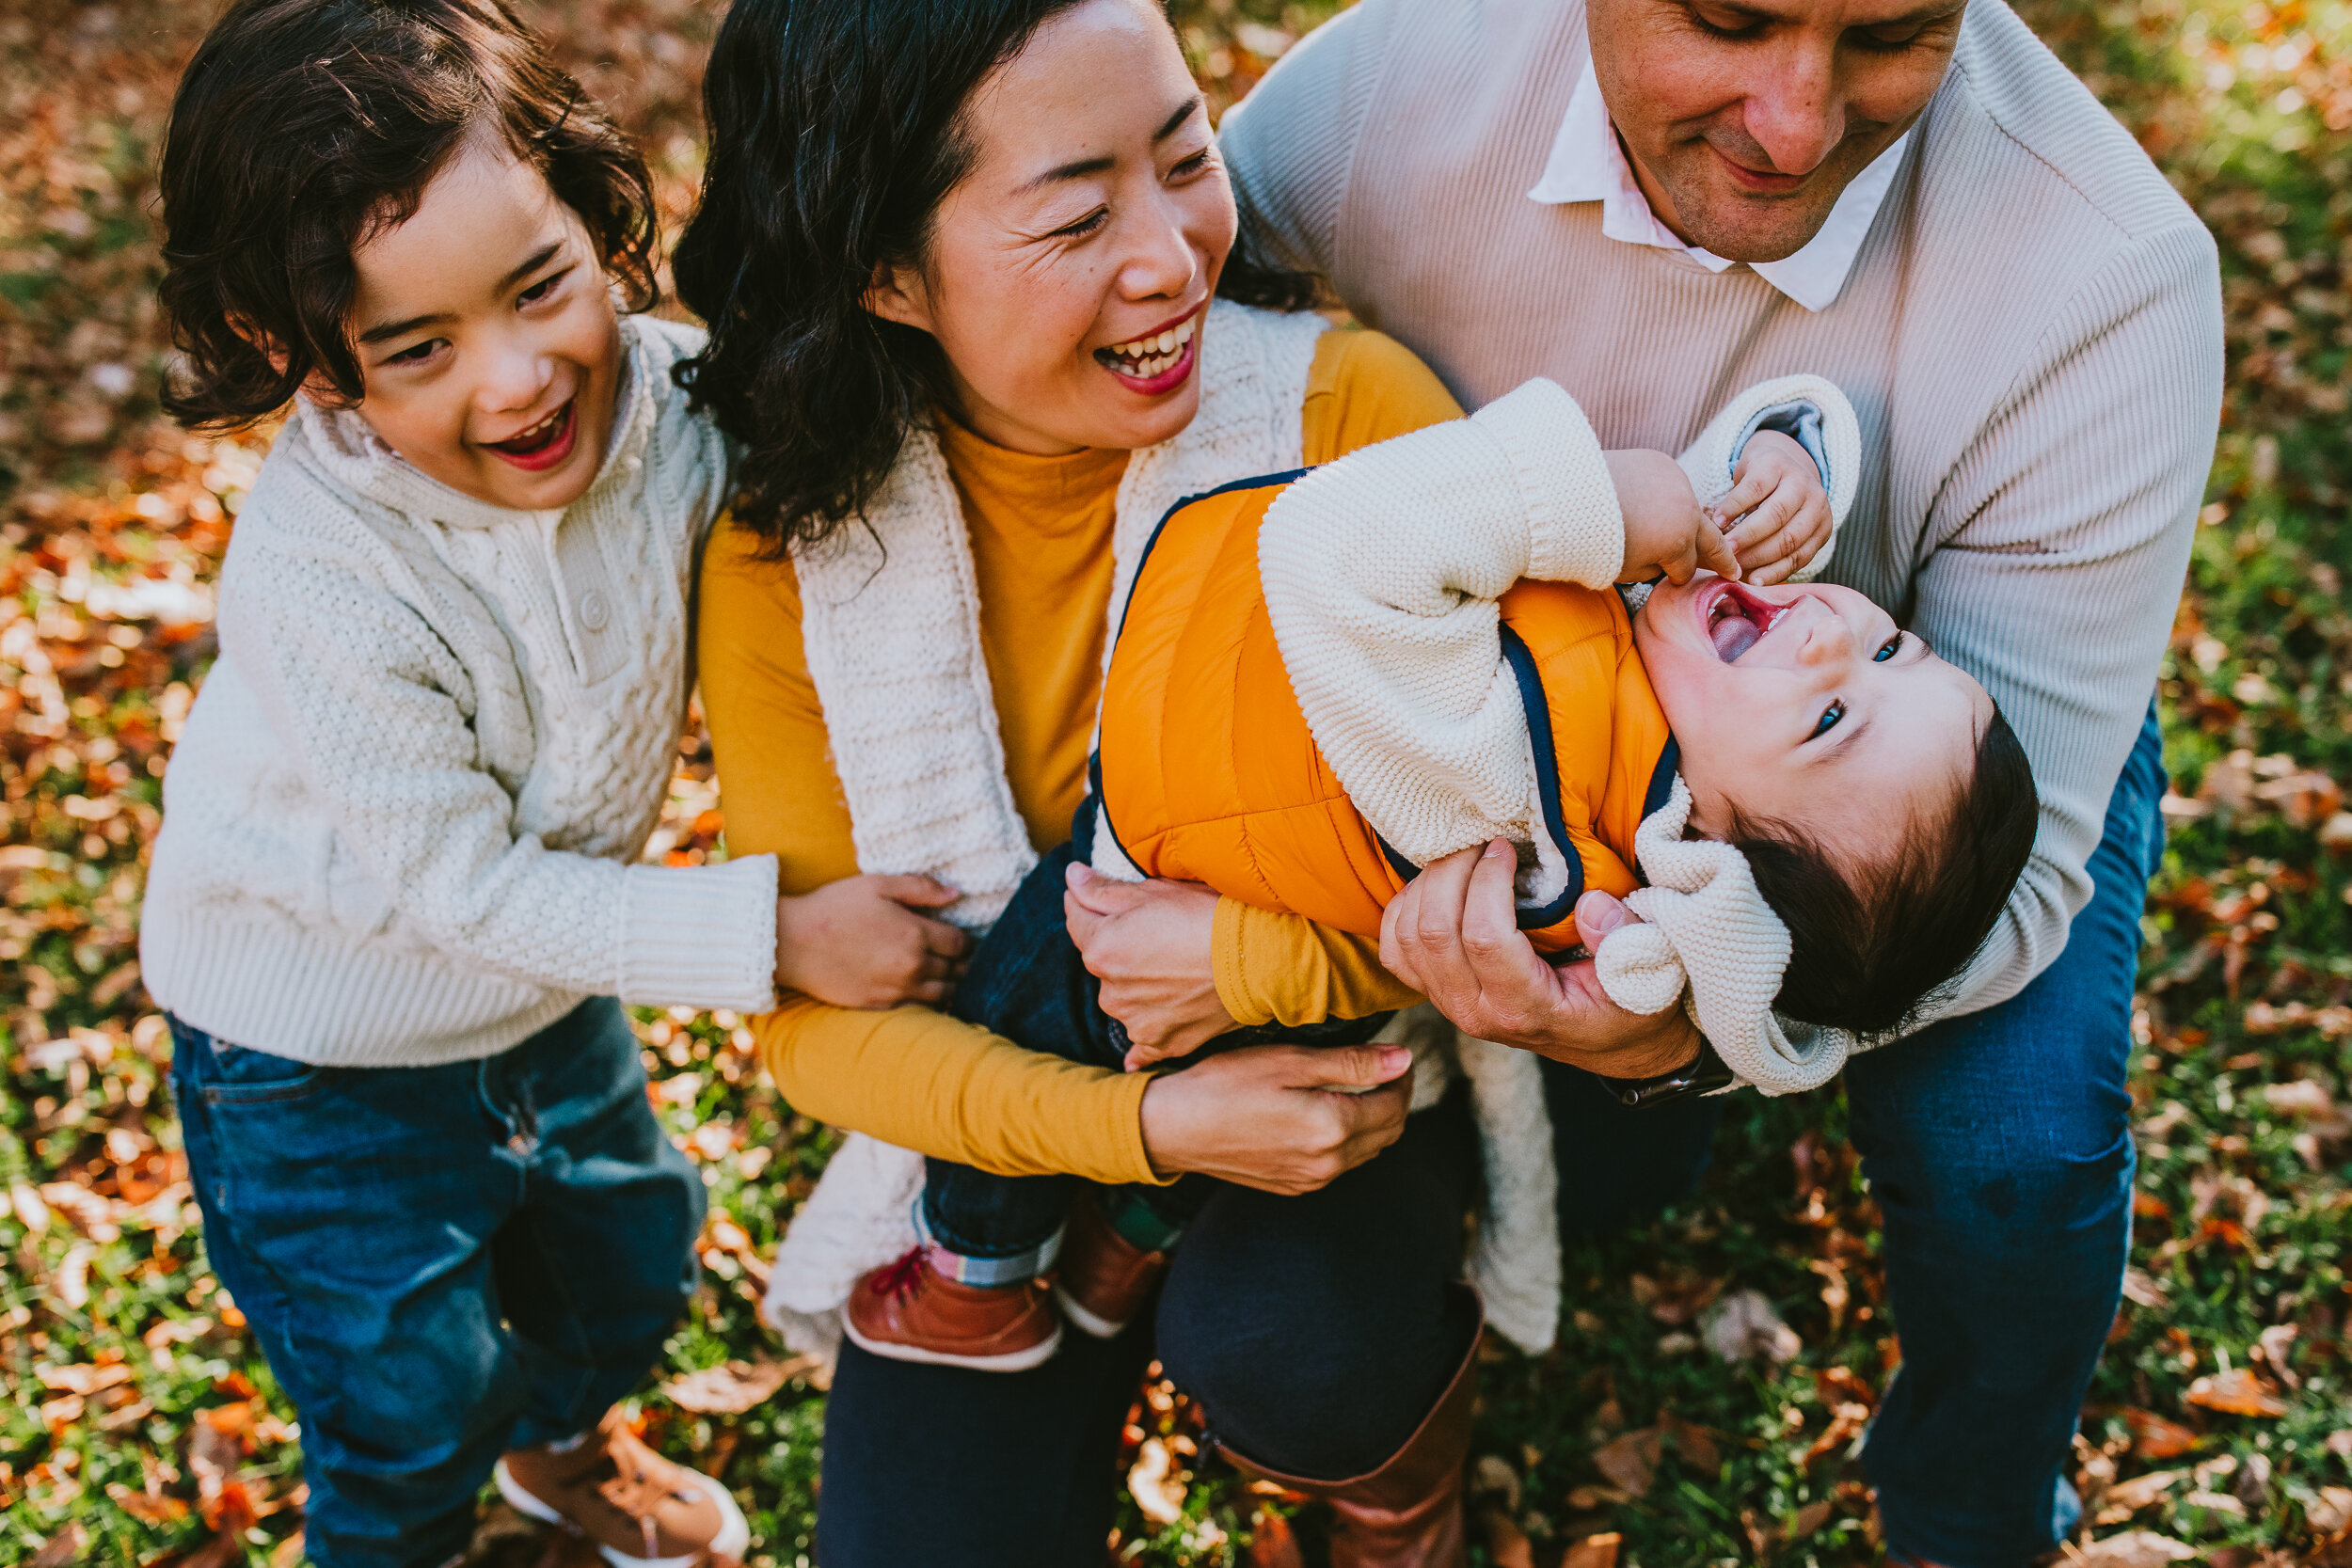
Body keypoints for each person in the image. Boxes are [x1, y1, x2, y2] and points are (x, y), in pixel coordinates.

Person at [677, 0, 1823, 1556]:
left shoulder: (1342, 415)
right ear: (887, 270)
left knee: (1303, 1346)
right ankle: (1075, 1267)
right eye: (1078, 215)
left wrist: (1252, 962)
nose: (1169, 256)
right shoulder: (789, 554)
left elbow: (1541, 856)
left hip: (1359, 1070)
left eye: (1185, 160)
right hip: (1017, 1126)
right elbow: (824, 1038)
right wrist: (1150, 1134)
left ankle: (1393, 1495)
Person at [1206, 0, 2225, 1561]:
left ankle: (1973, 1501)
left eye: (1891, 33)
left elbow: (2009, 885)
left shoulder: (2110, 285)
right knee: (1563, 1197)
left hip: (1952, 752)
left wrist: (1668, 1026)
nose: (1796, 123)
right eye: (1731, 19)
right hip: (1512, 742)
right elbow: (1149, 440)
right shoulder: (1367, 104)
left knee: (2012, 1143)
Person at [141, 3, 964, 1561]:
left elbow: (831, 460)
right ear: (302, 365)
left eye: (540, 286)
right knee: (404, 1389)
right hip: (311, 1049)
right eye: (419, 347)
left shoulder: (671, 406)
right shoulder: (328, 576)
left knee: (625, 1259)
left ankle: (565, 1460)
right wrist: (782, 935)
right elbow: (456, 889)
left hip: (540, 989)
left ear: (597, 222)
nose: (520, 378)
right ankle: (416, 1526)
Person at [855, 366, 2037, 1373]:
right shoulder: (1658, 713)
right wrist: (1783, 455)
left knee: (1014, 1010)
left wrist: (1595, 495)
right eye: (1894, 645)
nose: (1835, 630)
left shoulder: (1524, 773)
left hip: (1161, 846)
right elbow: (1698, 499)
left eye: (1831, 716)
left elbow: (1337, 547)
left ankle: (977, 1281)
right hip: (1252, 839)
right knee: (1243, 1068)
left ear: (1710, 852)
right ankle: (1130, 1236)